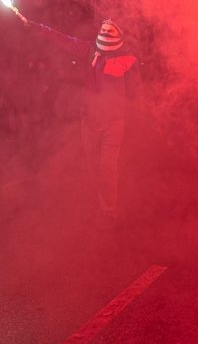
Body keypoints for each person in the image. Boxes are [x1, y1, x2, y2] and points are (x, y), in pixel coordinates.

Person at [21, 16, 141, 229]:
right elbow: (63, 39)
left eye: (109, 32)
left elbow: (134, 93)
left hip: (113, 123)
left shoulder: (128, 60)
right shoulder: (90, 50)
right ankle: (98, 201)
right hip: (90, 121)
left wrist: (129, 116)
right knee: (94, 165)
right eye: (103, 31)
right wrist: (38, 27)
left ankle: (108, 212)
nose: (105, 34)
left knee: (107, 167)